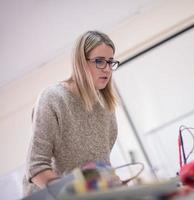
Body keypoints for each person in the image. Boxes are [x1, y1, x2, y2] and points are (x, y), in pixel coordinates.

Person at [23, 31, 120, 196]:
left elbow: (100, 166)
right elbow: (36, 168)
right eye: (99, 61)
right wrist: (78, 193)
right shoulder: (53, 98)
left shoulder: (106, 107)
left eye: (110, 62)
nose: (107, 69)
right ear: (80, 63)